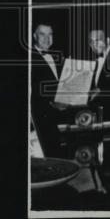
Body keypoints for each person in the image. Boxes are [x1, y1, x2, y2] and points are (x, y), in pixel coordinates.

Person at [29, 22, 63, 154]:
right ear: (34, 36)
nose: (47, 39)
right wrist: (52, 102)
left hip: (60, 117)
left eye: (50, 34)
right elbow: (32, 90)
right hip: (40, 118)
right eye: (42, 34)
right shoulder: (28, 58)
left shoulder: (58, 55)